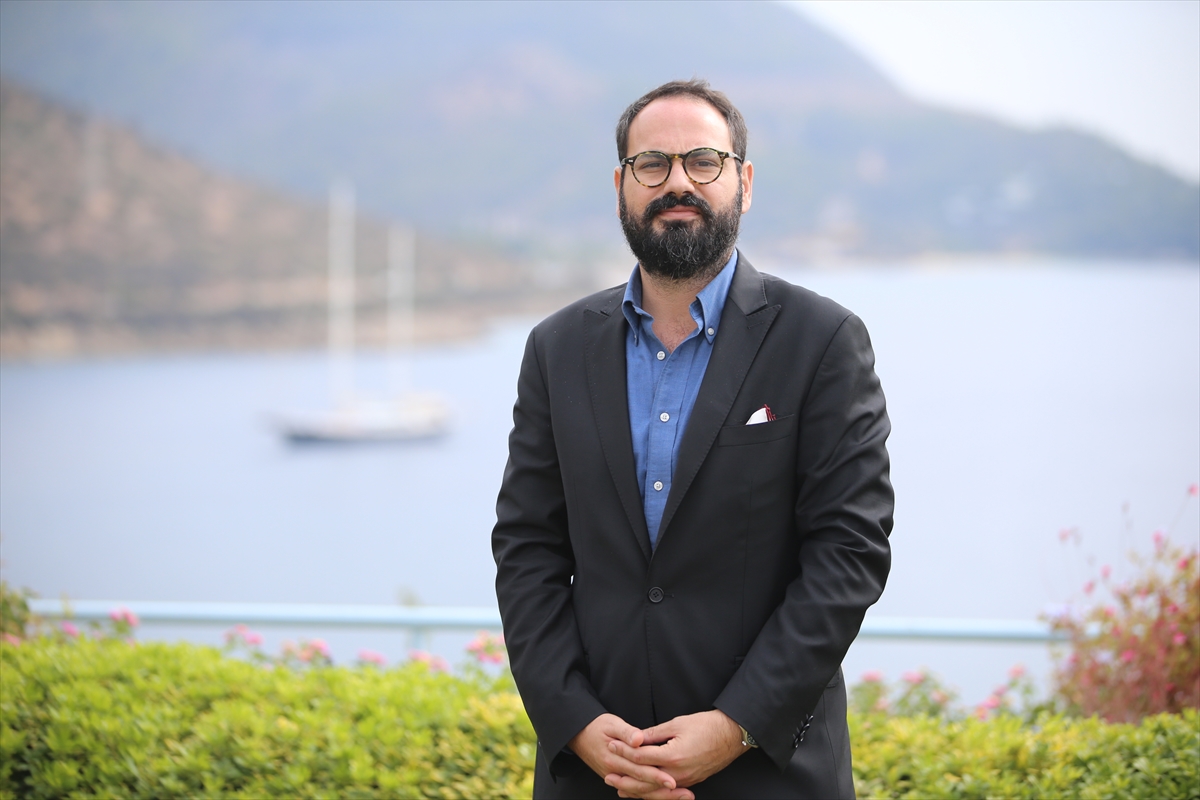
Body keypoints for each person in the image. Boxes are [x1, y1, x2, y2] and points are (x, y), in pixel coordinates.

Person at [492, 78, 893, 799]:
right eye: (652, 164)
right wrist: (574, 720)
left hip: (768, 774)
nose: (678, 182)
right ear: (621, 186)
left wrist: (737, 724)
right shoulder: (556, 348)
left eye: (703, 161)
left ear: (744, 181)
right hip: (594, 772)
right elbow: (527, 549)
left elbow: (848, 552)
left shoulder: (822, 341)